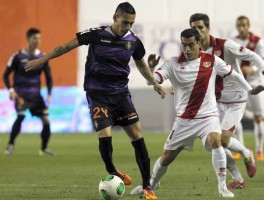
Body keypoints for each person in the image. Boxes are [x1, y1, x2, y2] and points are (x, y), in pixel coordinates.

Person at [25, 2, 165, 200]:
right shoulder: (96, 34)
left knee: (137, 136)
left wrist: (154, 83)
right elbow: (65, 47)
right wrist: (41, 60)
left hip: (121, 95)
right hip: (98, 95)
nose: (128, 27)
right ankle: (112, 170)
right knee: (104, 135)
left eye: (131, 24)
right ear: (115, 17)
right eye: (125, 22)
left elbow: (141, 64)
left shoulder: (133, 41)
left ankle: (147, 187)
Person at [132, 29, 264, 198]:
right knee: (167, 157)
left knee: (216, 140)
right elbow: (151, 80)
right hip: (184, 121)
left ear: (199, 44)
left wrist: (250, 90)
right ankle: (151, 184)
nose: (187, 49)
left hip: (208, 117)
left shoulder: (211, 60)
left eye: (190, 45)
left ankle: (222, 186)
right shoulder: (172, 63)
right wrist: (151, 67)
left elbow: (234, 75)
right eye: (184, 45)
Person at [188, 13, 264, 189]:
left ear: (208, 29)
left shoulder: (225, 45)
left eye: (200, 27)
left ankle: (246, 153)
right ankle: (238, 179)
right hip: (214, 101)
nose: (197, 31)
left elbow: (253, 56)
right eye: (194, 28)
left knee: (222, 139)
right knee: (211, 143)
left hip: (236, 98)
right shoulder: (194, 51)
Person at [3, 28, 54, 156]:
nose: (37, 41)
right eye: (35, 38)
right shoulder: (17, 56)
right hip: (21, 94)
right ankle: (10, 145)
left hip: (36, 95)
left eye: (39, 38)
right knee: (21, 116)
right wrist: (11, 90)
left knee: (46, 120)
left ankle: (43, 149)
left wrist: (48, 94)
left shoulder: (43, 57)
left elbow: (48, 78)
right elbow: (5, 75)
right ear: (28, 39)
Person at [233, 15, 264, 161]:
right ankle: (240, 148)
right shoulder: (233, 41)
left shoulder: (258, 41)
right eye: (239, 25)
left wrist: (253, 69)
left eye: (244, 25)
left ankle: (260, 149)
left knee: (258, 115)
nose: (241, 28)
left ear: (248, 26)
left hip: (254, 82)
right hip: (238, 83)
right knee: (235, 117)